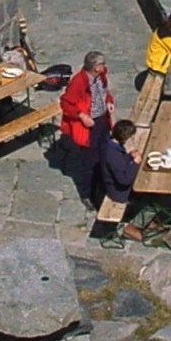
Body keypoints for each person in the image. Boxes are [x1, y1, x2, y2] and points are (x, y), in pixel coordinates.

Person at [59, 50, 115, 210]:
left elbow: (105, 92)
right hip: (89, 126)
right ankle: (86, 194)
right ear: (96, 67)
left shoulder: (101, 76)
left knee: (104, 156)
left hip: (103, 120)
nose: (105, 66)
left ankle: (101, 188)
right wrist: (82, 116)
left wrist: (109, 101)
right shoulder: (79, 82)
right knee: (89, 163)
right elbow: (66, 103)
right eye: (102, 63)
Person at [100, 119, 146, 241]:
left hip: (115, 183)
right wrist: (135, 163)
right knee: (144, 193)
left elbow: (119, 164)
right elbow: (124, 179)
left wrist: (128, 156)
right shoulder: (112, 154)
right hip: (118, 191)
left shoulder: (110, 145)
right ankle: (127, 226)